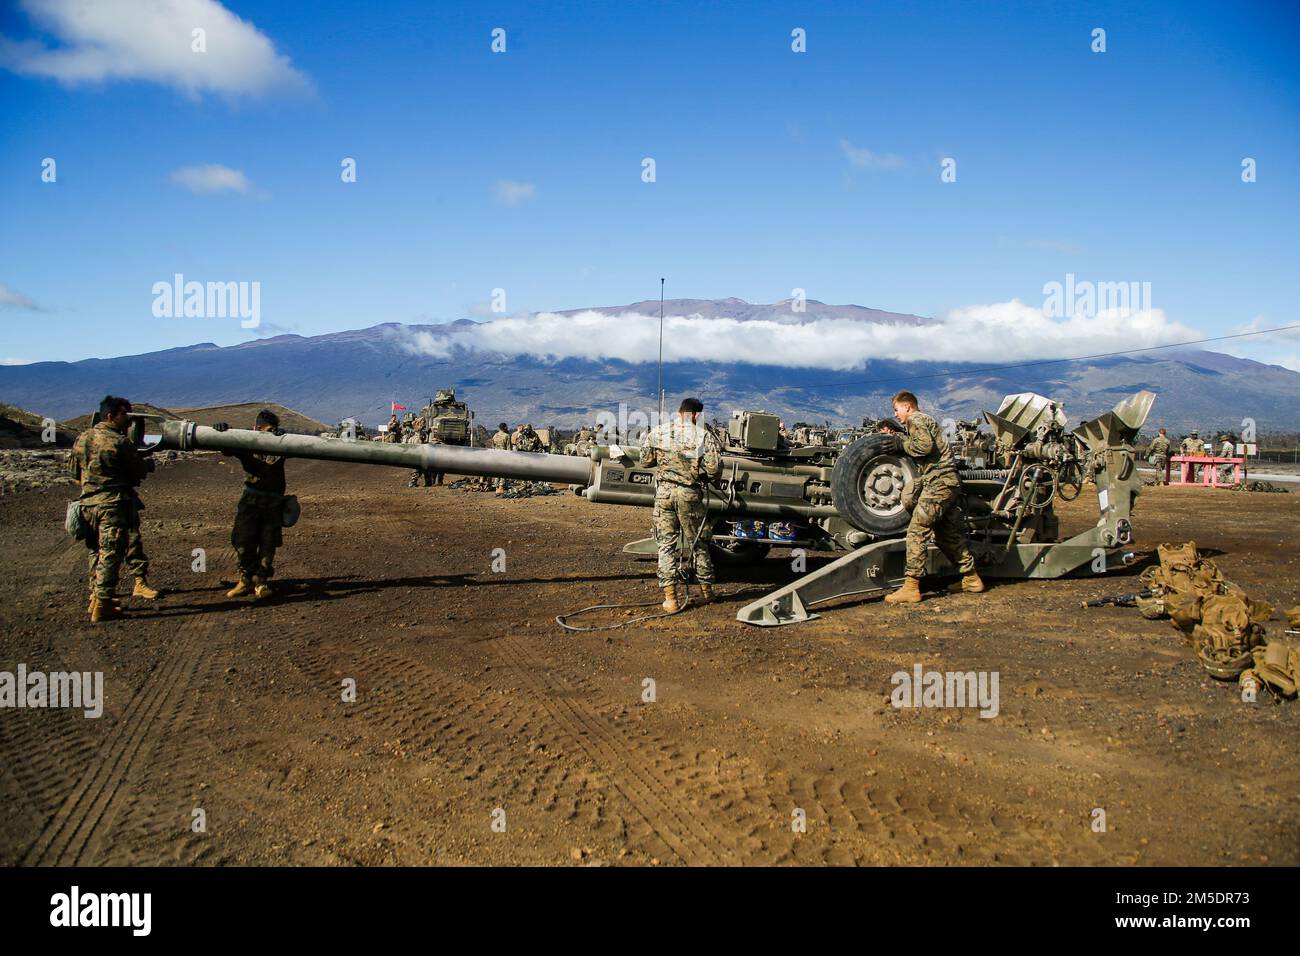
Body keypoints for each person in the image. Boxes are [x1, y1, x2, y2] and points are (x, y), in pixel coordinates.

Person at [878, 391, 983, 603]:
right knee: (947, 534)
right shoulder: (923, 420)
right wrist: (900, 438)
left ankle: (911, 586)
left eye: (896, 410)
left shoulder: (916, 419)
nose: (896, 415)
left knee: (917, 530)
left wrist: (901, 445)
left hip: (939, 482)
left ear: (907, 407)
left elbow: (924, 447)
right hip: (947, 482)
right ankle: (971, 579)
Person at [69, 395, 157, 622]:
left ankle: (95, 598)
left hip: (87, 504)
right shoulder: (119, 442)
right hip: (112, 505)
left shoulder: (81, 439)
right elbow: (137, 471)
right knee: (111, 553)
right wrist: (147, 465)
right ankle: (104, 603)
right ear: (111, 416)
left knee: (95, 552)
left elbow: (72, 472)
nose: (127, 419)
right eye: (123, 414)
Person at [639, 397, 723, 613]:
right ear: (695, 415)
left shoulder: (658, 432)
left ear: (679, 412)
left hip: (664, 494)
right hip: (689, 494)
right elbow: (714, 470)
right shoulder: (703, 436)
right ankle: (707, 593)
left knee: (666, 546)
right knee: (699, 544)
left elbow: (645, 460)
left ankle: (671, 600)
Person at [214, 410, 286, 600]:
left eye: (274, 430)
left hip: (273, 502)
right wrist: (221, 432)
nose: (270, 433)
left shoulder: (280, 443)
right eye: (266, 430)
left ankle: (261, 581)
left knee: (268, 543)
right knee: (243, 541)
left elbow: (303, 446)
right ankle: (245, 580)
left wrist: (284, 437)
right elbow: (226, 449)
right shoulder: (246, 442)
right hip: (251, 501)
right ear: (256, 428)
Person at [491, 422, 511, 495]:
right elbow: (509, 448)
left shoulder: (495, 435)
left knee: (497, 471)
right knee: (503, 472)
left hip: (496, 455)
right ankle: (501, 487)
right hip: (504, 455)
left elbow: (492, 446)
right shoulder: (507, 436)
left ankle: (496, 487)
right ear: (505, 427)